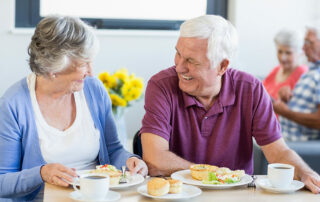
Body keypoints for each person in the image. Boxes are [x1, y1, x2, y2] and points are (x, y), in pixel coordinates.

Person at [140, 15, 320, 193]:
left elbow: (278, 152)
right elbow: (155, 159)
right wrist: (214, 176)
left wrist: (305, 172)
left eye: (191, 61)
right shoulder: (161, 86)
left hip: (236, 195)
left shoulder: (251, 89)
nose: (179, 67)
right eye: (178, 53)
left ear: (222, 66)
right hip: (180, 194)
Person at [0, 16, 147, 201]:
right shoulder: (14, 104)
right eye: (84, 63)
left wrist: (131, 161)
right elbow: (2, 181)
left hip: (98, 196)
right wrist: (41, 173)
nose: (91, 72)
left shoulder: (94, 89)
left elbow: (113, 149)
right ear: (53, 68)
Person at [273, 25, 320, 141]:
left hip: (299, 147)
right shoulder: (310, 73)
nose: (303, 48)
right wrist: (285, 97)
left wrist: (286, 112)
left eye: (309, 42)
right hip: (285, 138)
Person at [263, 29, 308, 101]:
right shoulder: (276, 69)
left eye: (288, 53)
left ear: (301, 53)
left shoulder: (303, 73)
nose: (282, 58)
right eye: (280, 52)